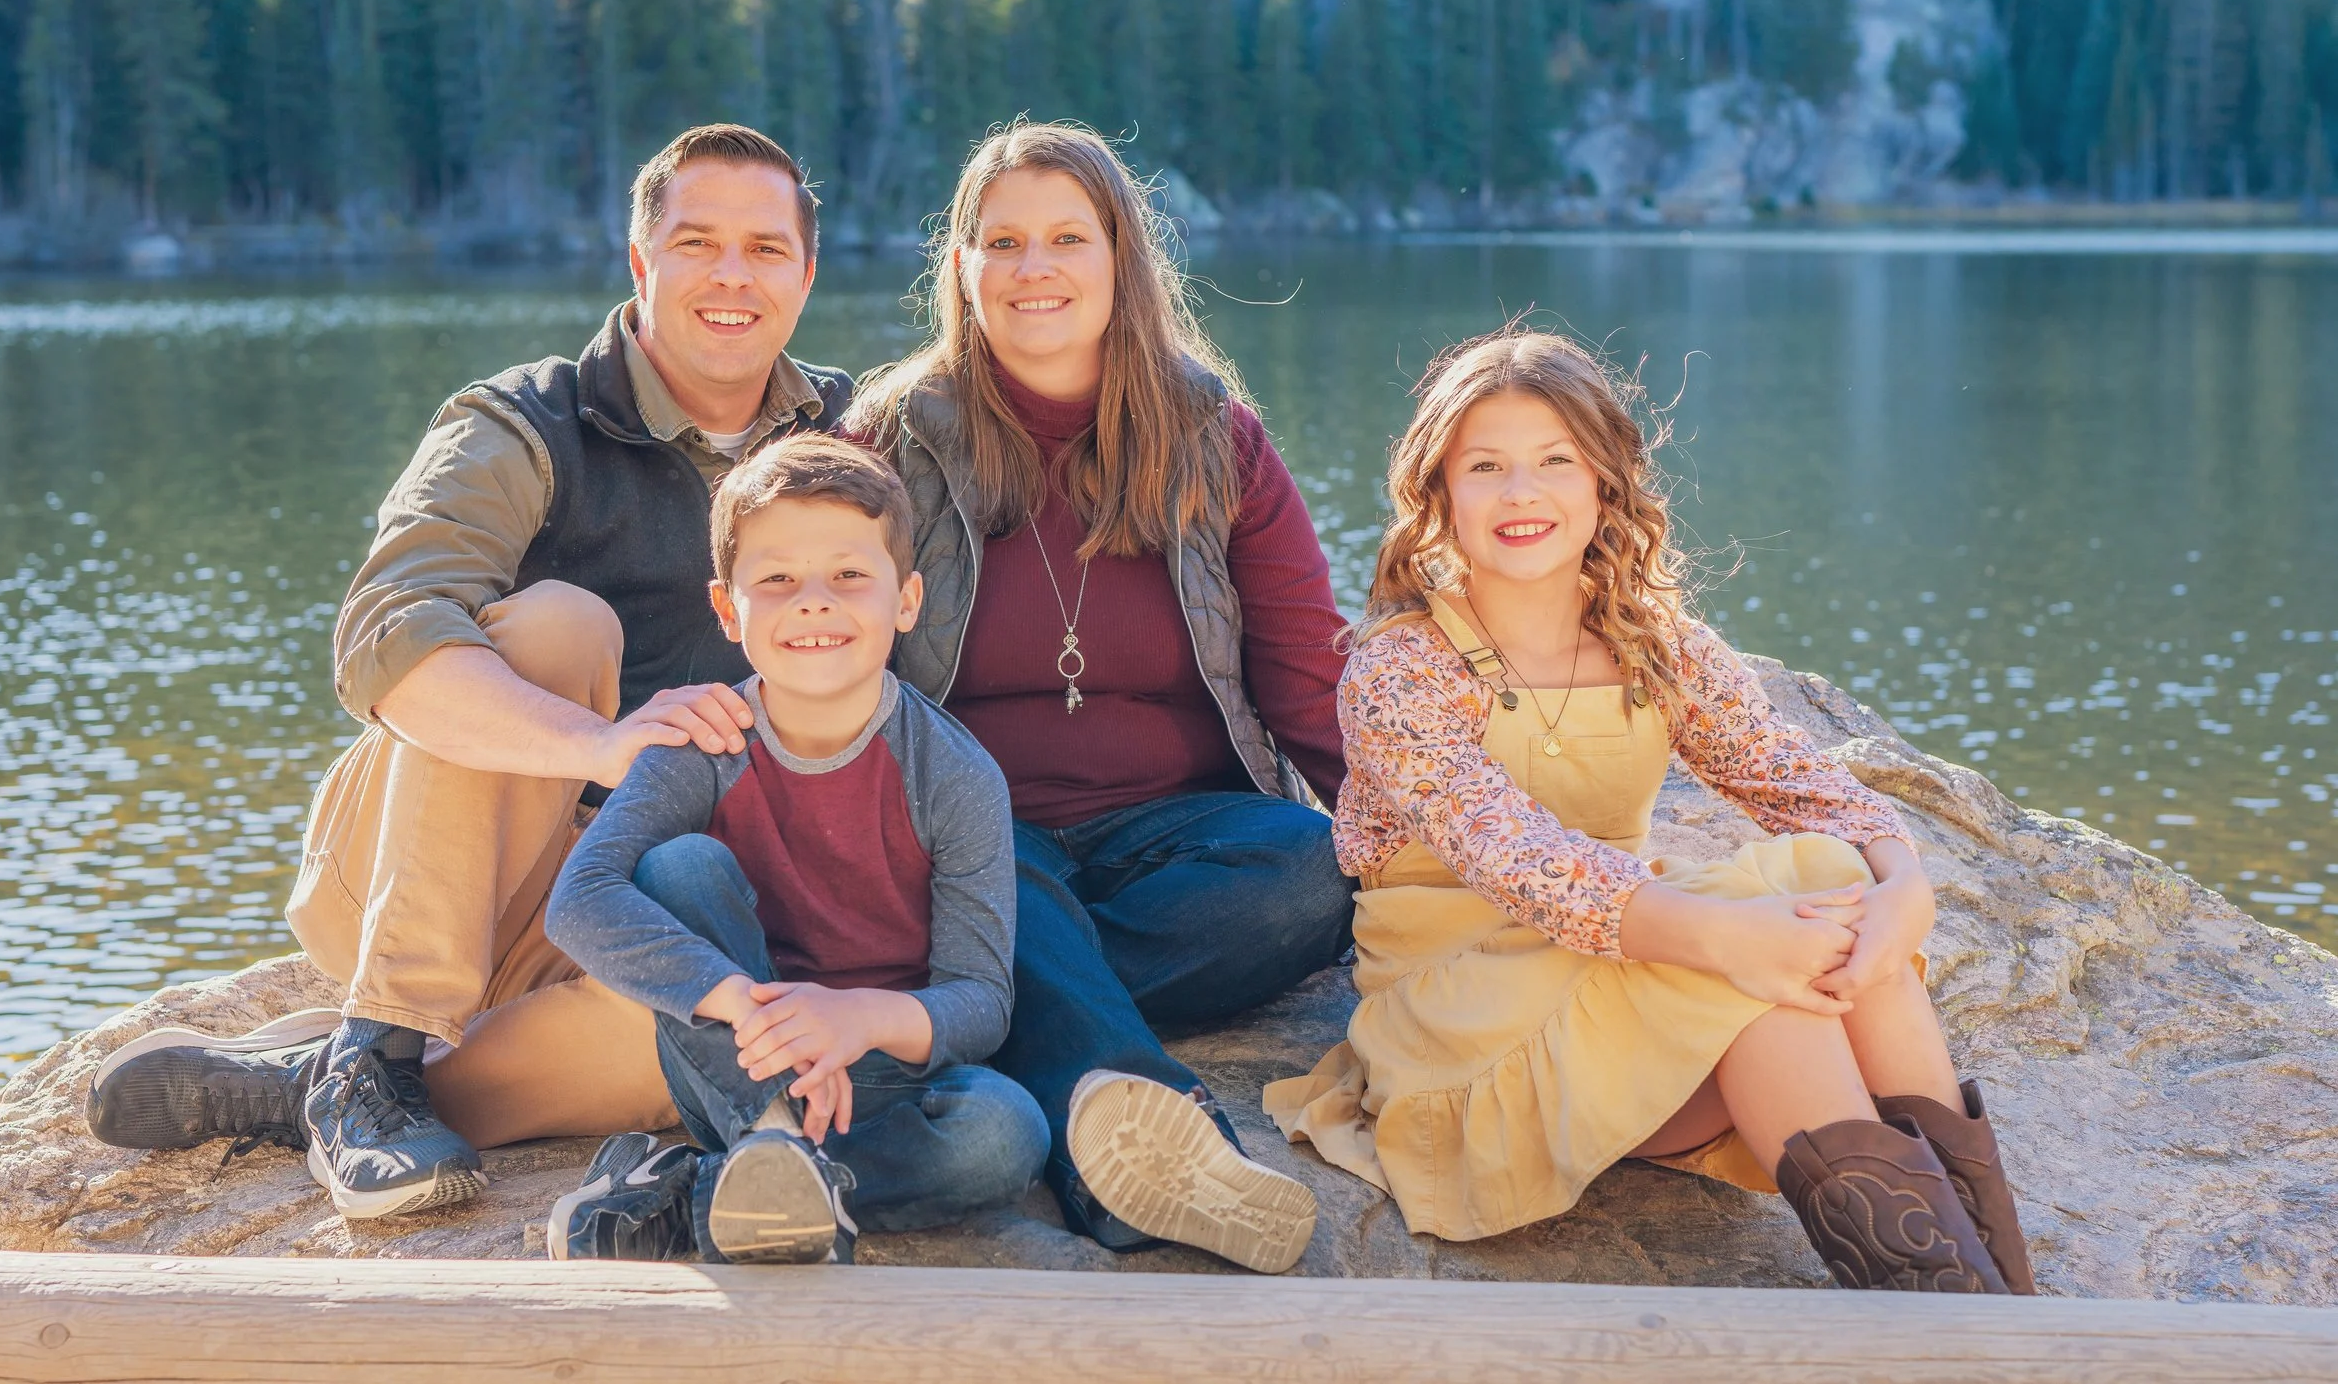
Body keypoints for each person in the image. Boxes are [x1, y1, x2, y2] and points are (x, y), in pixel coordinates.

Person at [85, 125, 849, 1218]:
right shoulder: (522, 424)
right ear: (641, 262)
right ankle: (379, 1040)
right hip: (447, 871)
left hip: (619, 906)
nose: (732, 276)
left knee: (693, 1042)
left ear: (807, 274)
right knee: (555, 629)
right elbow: (385, 633)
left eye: (766, 250)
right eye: (697, 242)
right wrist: (595, 741)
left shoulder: (849, 436)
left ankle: (331, 1086)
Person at [1263, 327, 2037, 1295]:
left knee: (1833, 885)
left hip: (1624, 969)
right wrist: (1728, 938)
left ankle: (2004, 1319)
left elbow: (1798, 782)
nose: (1521, 494)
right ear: (1438, 494)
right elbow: (1527, 864)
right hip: (1465, 1021)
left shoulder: (1649, 643)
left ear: (1603, 485)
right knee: (1761, 983)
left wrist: (1904, 882)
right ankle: (1986, 1335)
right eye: (1486, 467)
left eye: (1554, 462)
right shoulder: (1398, 673)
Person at [849, 122, 1345, 1274]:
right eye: (1003, 240)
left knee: (1313, 874)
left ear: (1121, 259)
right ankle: (1147, 1148)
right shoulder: (889, 439)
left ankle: (1004, 998)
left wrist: (1430, 853)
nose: (1035, 268)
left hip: (1175, 831)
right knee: (994, 886)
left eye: (1067, 237)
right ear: (961, 267)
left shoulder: (1213, 436)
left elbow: (1305, 672)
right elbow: (818, 650)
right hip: (973, 825)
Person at [540, 435, 1046, 1263]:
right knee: (677, 868)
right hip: (732, 1059)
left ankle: (705, 1188)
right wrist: (740, 1001)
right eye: (776, 579)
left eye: (849, 575)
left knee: (1005, 1132)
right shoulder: (703, 742)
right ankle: (769, 1139)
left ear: (907, 599)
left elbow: (981, 1000)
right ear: (729, 609)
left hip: (878, 1071)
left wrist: (852, 1018)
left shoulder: (954, 772)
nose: (814, 602)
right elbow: (581, 895)